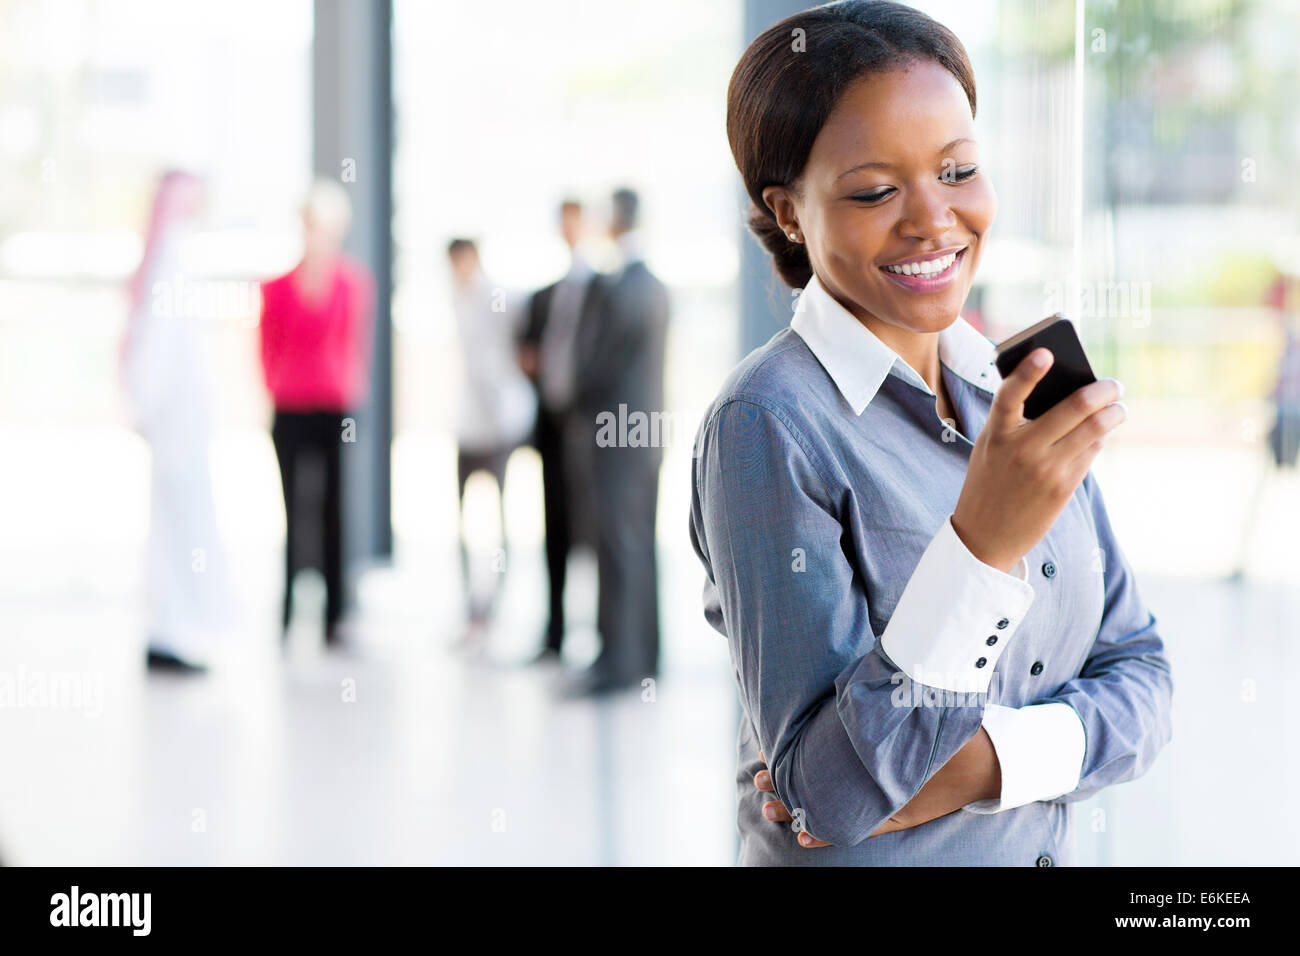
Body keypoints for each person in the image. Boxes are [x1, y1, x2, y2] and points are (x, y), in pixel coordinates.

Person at [690, 0, 1172, 864]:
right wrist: (979, 550)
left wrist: (970, 770)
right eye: (876, 191)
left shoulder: (1010, 390)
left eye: (957, 171)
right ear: (790, 212)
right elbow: (830, 794)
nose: (931, 220)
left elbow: (1144, 683)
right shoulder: (767, 424)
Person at [120, 169, 233, 673]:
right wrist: (144, 404)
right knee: (177, 524)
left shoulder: (177, 253)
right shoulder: (175, 254)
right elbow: (158, 346)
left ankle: (179, 628)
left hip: (179, 421)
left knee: (180, 524)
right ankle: (173, 630)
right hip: (173, 422)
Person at [259, 179, 375, 648]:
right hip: (290, 407)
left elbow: (354, 347)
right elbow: (266, 350)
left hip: (334, 408)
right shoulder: (277, 287)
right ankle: (288, 609)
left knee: (333, 510)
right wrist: (280, 385)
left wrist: (346, 394)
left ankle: (334, 615)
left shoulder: (352, 283)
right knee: (293, 511)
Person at [562, 188, 669, 696]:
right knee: (638, 544)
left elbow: (597, 367)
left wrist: (571, 396)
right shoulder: (654, 285)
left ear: (614, 222)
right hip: (644, 434)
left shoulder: (617, 287)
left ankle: (618, 663)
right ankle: (645, 655)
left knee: (617, 545)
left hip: (617, 434)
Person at [519, 200, 602, 663]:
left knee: (596, 533)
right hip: (551, 427)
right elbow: (527, 353)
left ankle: (599, 637)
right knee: (555, 531)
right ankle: (554, 634)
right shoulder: (544, 297)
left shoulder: (604, 292)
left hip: (592, 432)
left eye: (577, 220)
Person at [448, 238, 536, 646]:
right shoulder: (459, 299)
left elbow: (519, 337)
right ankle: (472, 608)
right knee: (465, 519)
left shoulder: (498, 298)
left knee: (500, 519)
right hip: (469, 424)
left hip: (499, 424)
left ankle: (493, 609)